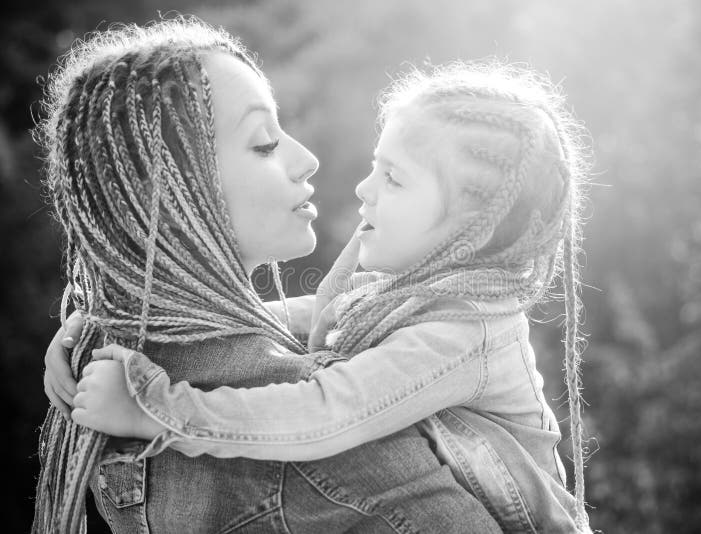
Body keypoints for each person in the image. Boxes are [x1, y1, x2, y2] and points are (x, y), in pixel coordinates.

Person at [56, 61, 593, 532]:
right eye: (375, 166)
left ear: (470, 229)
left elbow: (326, 409)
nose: (364, 189)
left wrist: (160, 413)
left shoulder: (460, 334)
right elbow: (323, 313)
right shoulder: (415, 290)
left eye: (395, 179)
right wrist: (135, 323)